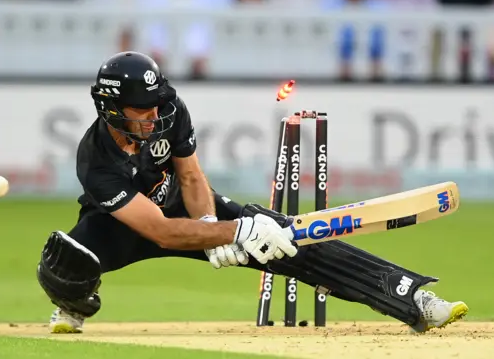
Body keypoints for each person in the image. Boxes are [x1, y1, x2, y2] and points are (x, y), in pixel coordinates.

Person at [36, 51, 469, 334]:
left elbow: (190, 178)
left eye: (156, 105)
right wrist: (235, 232)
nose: (154, 117)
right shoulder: (95, 162)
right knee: (67, 259)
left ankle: (412, 297)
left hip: (186, 207)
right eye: (141, 111)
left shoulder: (169, 111)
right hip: (123, 226)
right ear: (111, 109)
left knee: (287, 241)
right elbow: (161, 232)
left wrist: (213, 225)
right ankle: (72, 309)